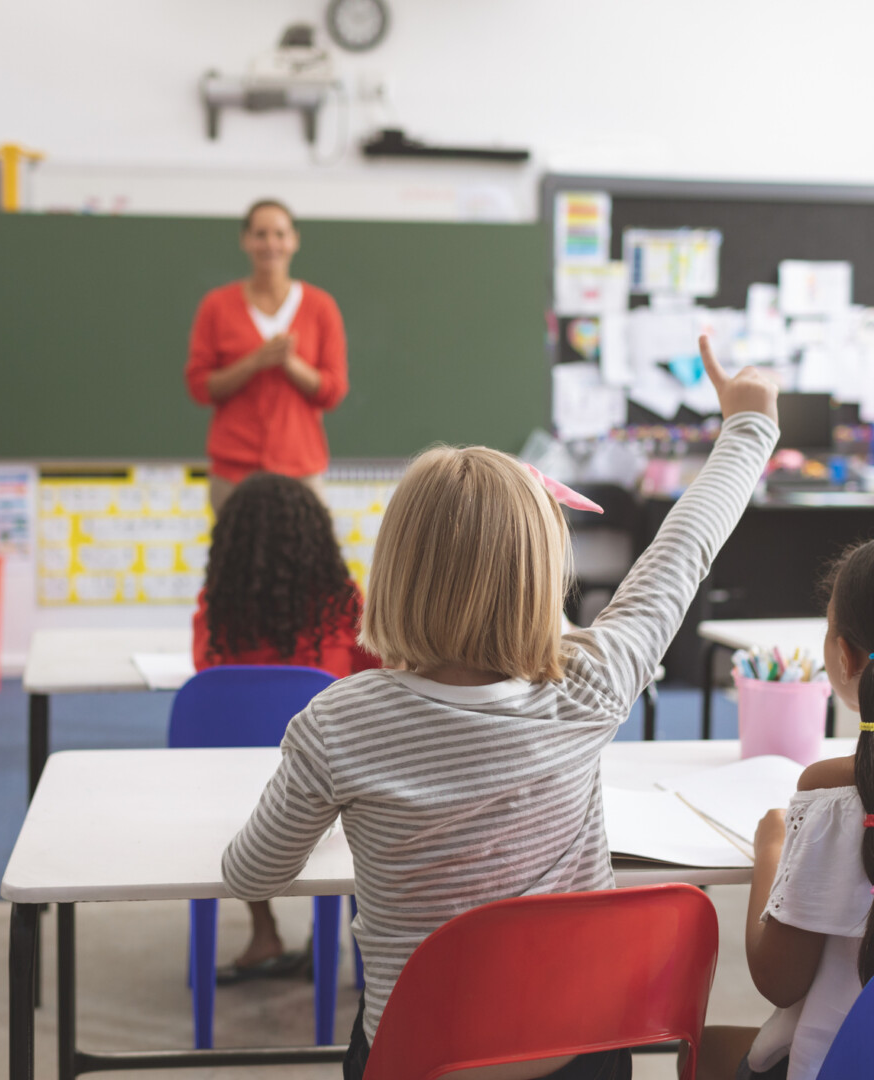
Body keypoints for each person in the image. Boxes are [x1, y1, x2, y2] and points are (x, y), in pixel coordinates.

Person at [221, 337, 779, 1080]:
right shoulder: (589, 685)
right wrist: (750, 424)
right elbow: (685, 548)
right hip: (583, 1047)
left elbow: (252, 875)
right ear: (543, 576)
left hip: (418, 1059)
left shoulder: (338, 725)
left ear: (396, 570)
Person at [696, 539, 874, 1080]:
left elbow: (779, 979)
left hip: (833, 1063)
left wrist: (773, 846)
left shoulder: (833, 796)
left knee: (701, 1048)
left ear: (844, 656)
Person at [193, 472, 378, 983]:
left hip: (235, 794)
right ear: (316, 533)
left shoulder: (218, 606)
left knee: (243, 789)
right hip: (333, 789)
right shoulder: (343, 601)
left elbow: (207, 678)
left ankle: (264, 931)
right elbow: (376, 679)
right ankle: (359, 950)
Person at [184, 199, 348, 517]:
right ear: (245, 240)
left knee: (309, 562)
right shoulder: (216, 306)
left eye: (280, 234)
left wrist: (291, 365)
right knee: (237, 565)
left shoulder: (321, 307)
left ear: (294, 240)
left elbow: (334, 391)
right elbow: (199, 386)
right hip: (234, 472)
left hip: (301, 467)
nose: (270, 243)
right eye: (260, 234)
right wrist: (253, 362)